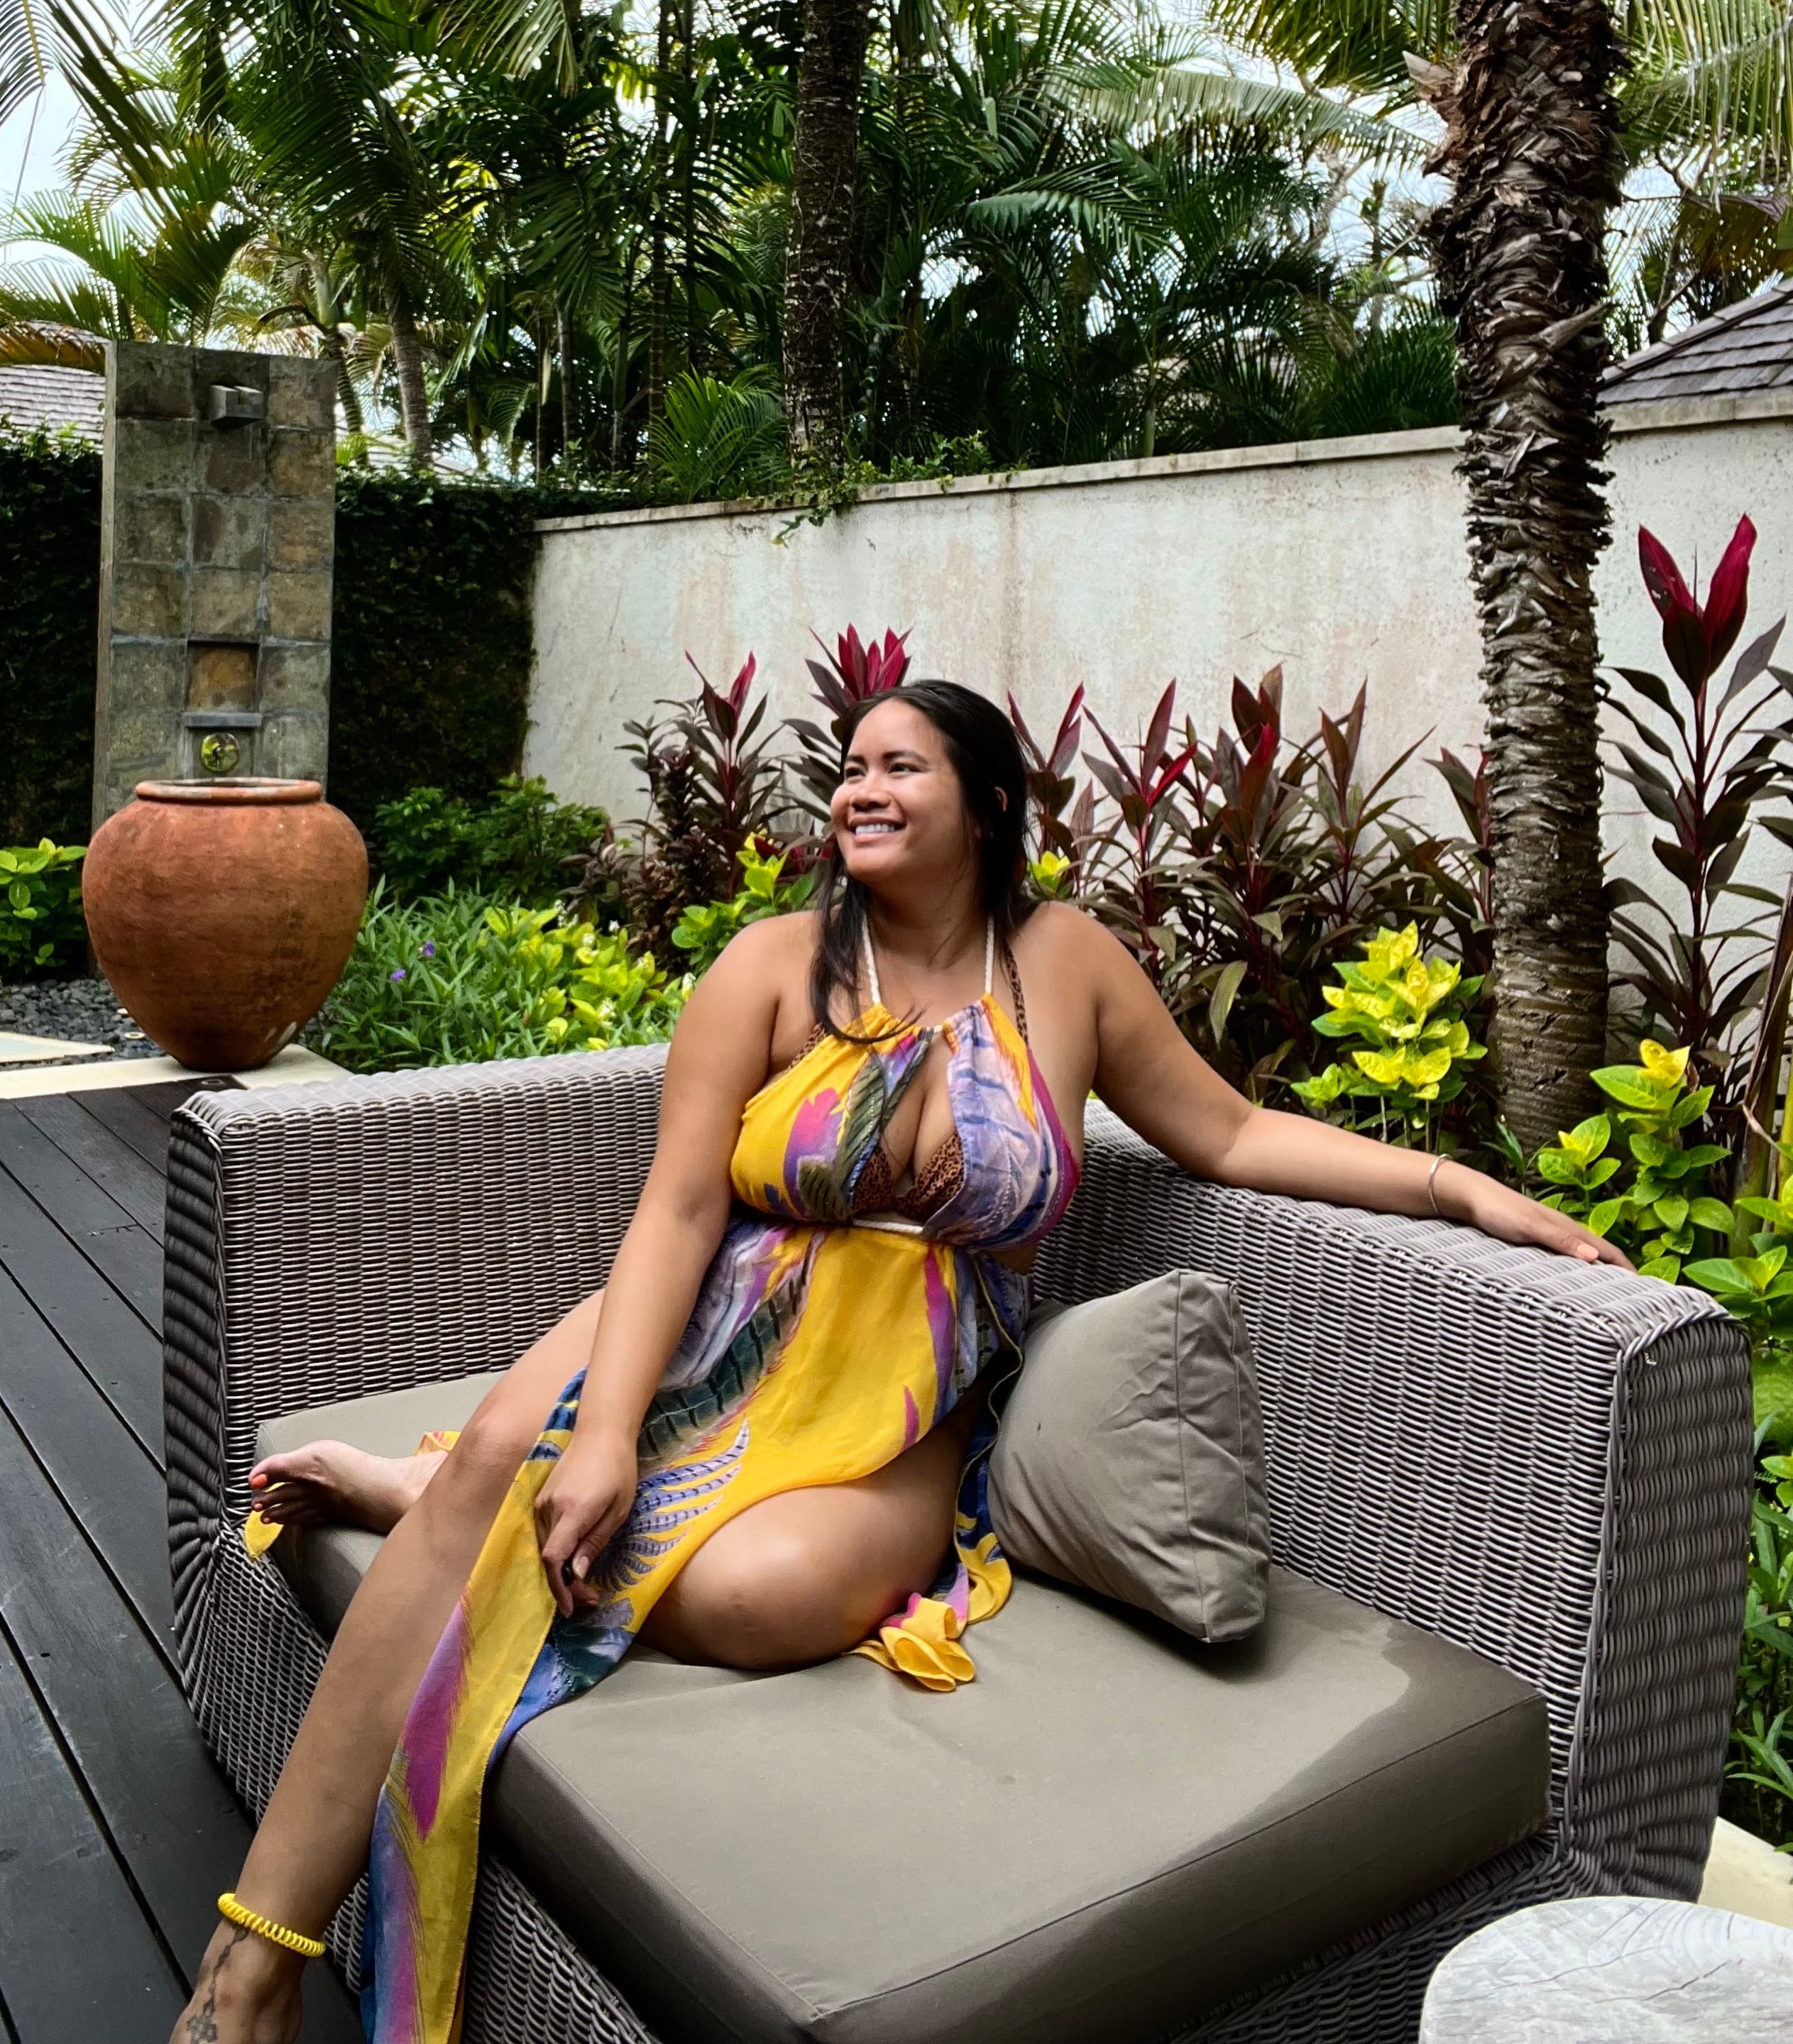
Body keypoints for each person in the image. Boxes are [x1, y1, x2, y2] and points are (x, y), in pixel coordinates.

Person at [175, 681, 1629, 2044]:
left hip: (903, 1387)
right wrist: (611, 1426)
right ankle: (257, 1958)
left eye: (899, 766)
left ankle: (424, 1502)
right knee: (518, 1461)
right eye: (852, 769)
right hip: (709, 1316)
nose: (860, 788)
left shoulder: (1064, 966)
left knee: (767, 1597)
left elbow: (1232, 1134)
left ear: (986, 802)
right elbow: (679, 1211)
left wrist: (1456, 1188)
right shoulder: (770, 967)